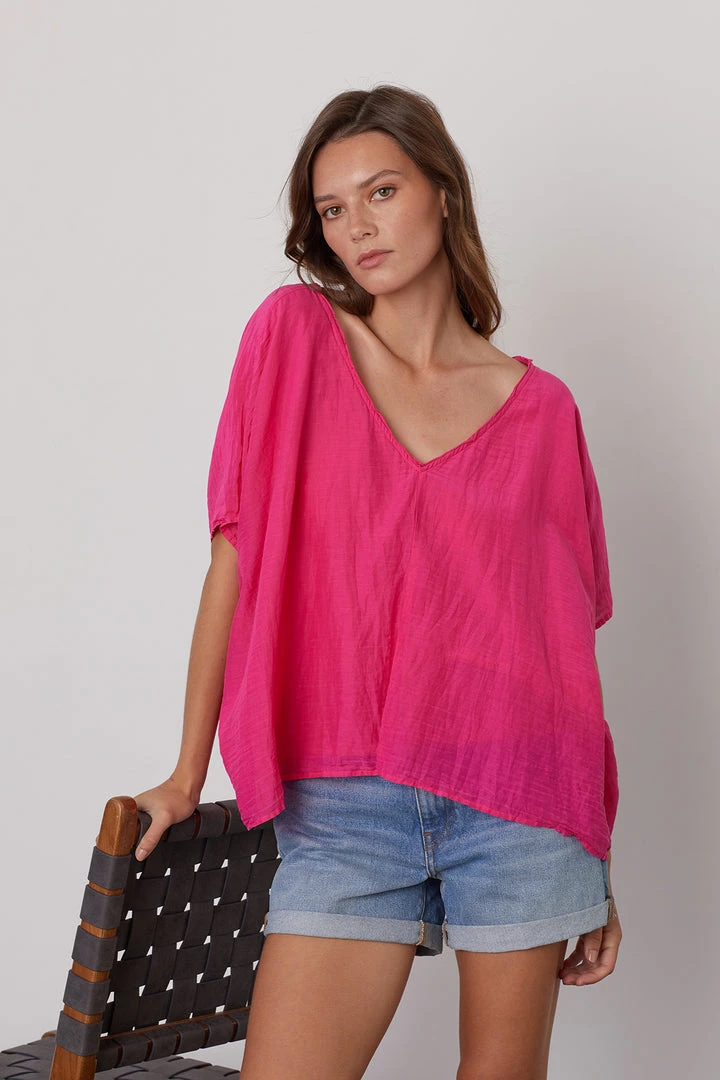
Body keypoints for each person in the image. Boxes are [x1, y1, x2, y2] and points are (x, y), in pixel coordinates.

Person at [135, 84, 622, 1079]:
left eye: (382, 191)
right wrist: (185, 775)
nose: (356, 226)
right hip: (347, 808)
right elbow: (234, 560)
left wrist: (591, 847)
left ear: (443, 192)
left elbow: (558, 649)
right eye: (332, 208)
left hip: (519, 804)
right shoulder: (295, 338)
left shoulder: (543, 411)